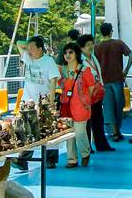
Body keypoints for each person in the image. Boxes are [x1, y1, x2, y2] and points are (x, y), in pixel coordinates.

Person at [14, 35, 60, 170]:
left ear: (41, 49)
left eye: (33, 48)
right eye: (28, 48)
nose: (29, 50)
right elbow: (18, 43)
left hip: (43, 101)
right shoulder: (27, 58)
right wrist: (29, 44)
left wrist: (51, 101)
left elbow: (53, 81)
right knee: (26, 131)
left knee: (48, 129)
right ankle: (23, 159)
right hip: (28, 101)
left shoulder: (48, 61)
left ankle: (51, 159)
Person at [58, 42, 96, 168]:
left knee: (80, 133)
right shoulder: (62, 70)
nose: (67, 55)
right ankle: (72, 159)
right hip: (66, 106)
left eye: (70, 52)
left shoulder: (85, 70)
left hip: (81, 107)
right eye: (65, 53)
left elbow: (91, 88)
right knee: (68, 133)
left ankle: (85, 153)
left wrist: (84, 99)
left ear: (76, 54)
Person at [94, 22, 132, 142]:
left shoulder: (97, 47)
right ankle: (117, 130)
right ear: (111, 31)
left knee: (108, 106)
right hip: (117, 79)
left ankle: (114, 131)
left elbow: (95, 64)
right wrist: (125, 71)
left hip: (104, 81)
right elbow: (131, 56)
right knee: (119, 105)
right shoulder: (118, 43)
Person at [78, 34, 114, 152]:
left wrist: (101, 86)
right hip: (85, 95)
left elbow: (98, 73)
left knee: (98, 119)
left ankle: (102, 144)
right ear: (82, 47)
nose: (91, 46)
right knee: (86, 122)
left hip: (96, 94)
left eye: (91, 44)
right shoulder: (79, 60)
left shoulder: (93, 58)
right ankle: (87, 147)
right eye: (88, 45)